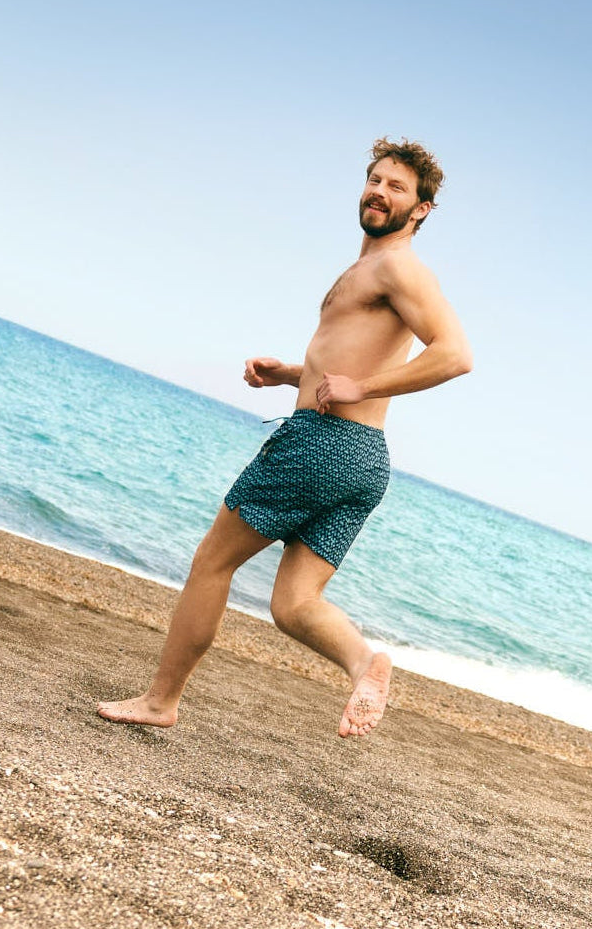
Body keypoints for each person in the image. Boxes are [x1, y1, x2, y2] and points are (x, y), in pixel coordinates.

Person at [98, 138, 472, 738]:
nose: (379, 192)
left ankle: (160, 700)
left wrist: (359, 386)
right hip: (362, 459)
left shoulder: (397, 266)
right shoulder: (367, 268)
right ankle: (363, 664)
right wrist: (294, 375)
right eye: (375, 180)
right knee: (294, 604)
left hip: (321, 443)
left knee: (210, 564)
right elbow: (347, 366)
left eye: (397, 187)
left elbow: (455, 355)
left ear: (422, 209)